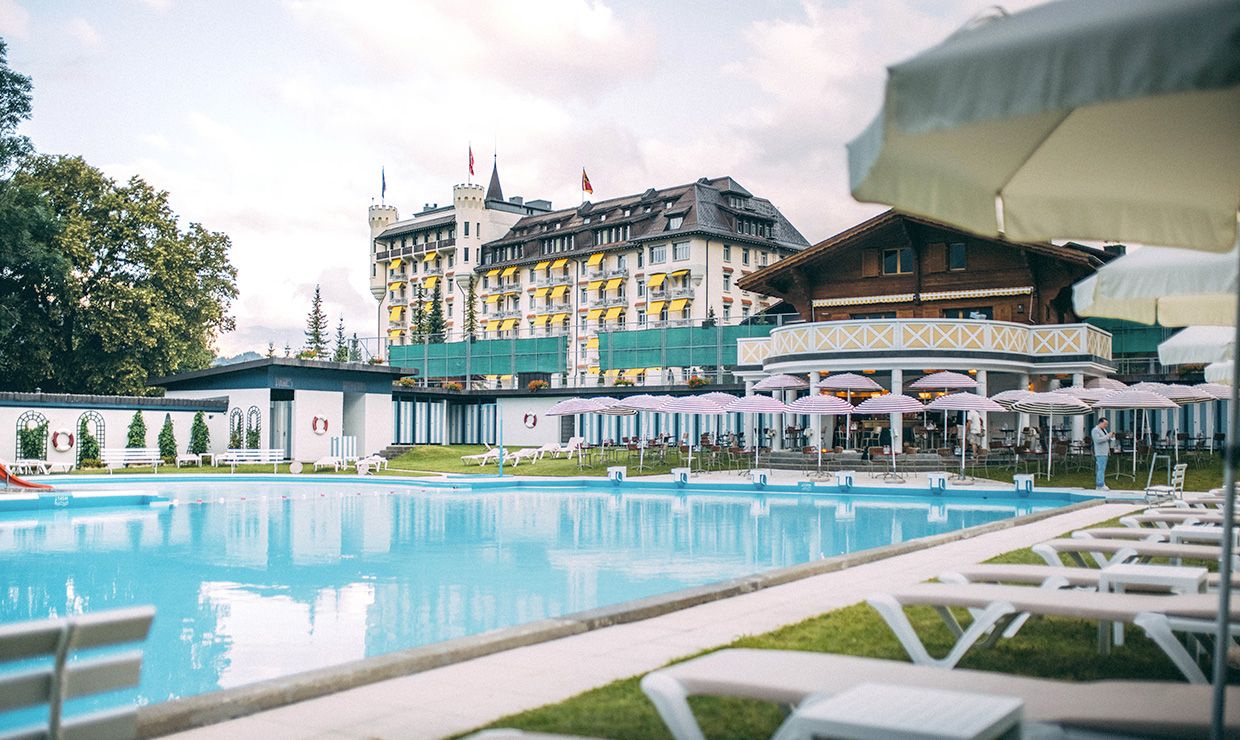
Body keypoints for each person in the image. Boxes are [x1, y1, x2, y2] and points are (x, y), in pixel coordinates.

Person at [1091, 418, 1113, 490]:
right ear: (1100, 423)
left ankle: (1100, 483)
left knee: (1102, 468)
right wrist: (1108, 436)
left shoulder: (1104, 430)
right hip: (1100, 452)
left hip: (1104, 452)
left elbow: (1105, 440)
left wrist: (1110, 437)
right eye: (1105, 424)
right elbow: (1098, 440)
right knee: (1101, 468)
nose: (1106, 425)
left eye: (1107, 424)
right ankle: (1100, 485)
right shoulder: (1095, 430)